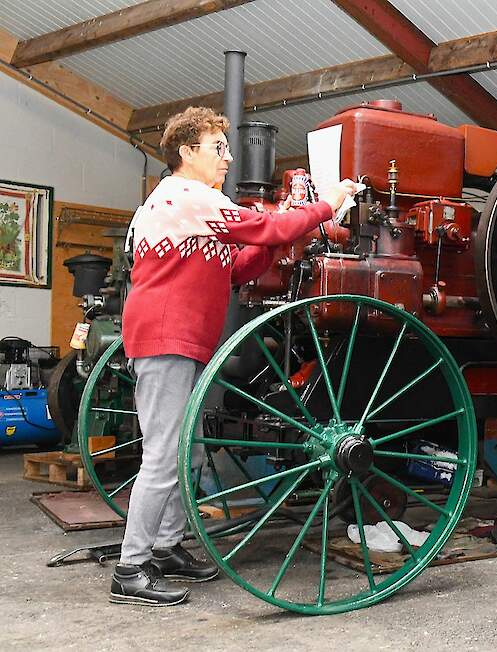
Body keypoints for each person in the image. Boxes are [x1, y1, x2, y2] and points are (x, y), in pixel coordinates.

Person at [110, 107, 357, 606]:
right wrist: (323, 207)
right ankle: (130, 569)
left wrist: (289, 233)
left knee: (189, 451)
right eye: (217, 148)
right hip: (166, 339)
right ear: (187, 153)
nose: (227, 158)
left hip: (186, 340)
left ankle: (164, 548)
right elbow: (263, 231)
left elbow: (238, 267)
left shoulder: (198, 206)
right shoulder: (186, 196)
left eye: (227, 149)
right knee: (163, 454)